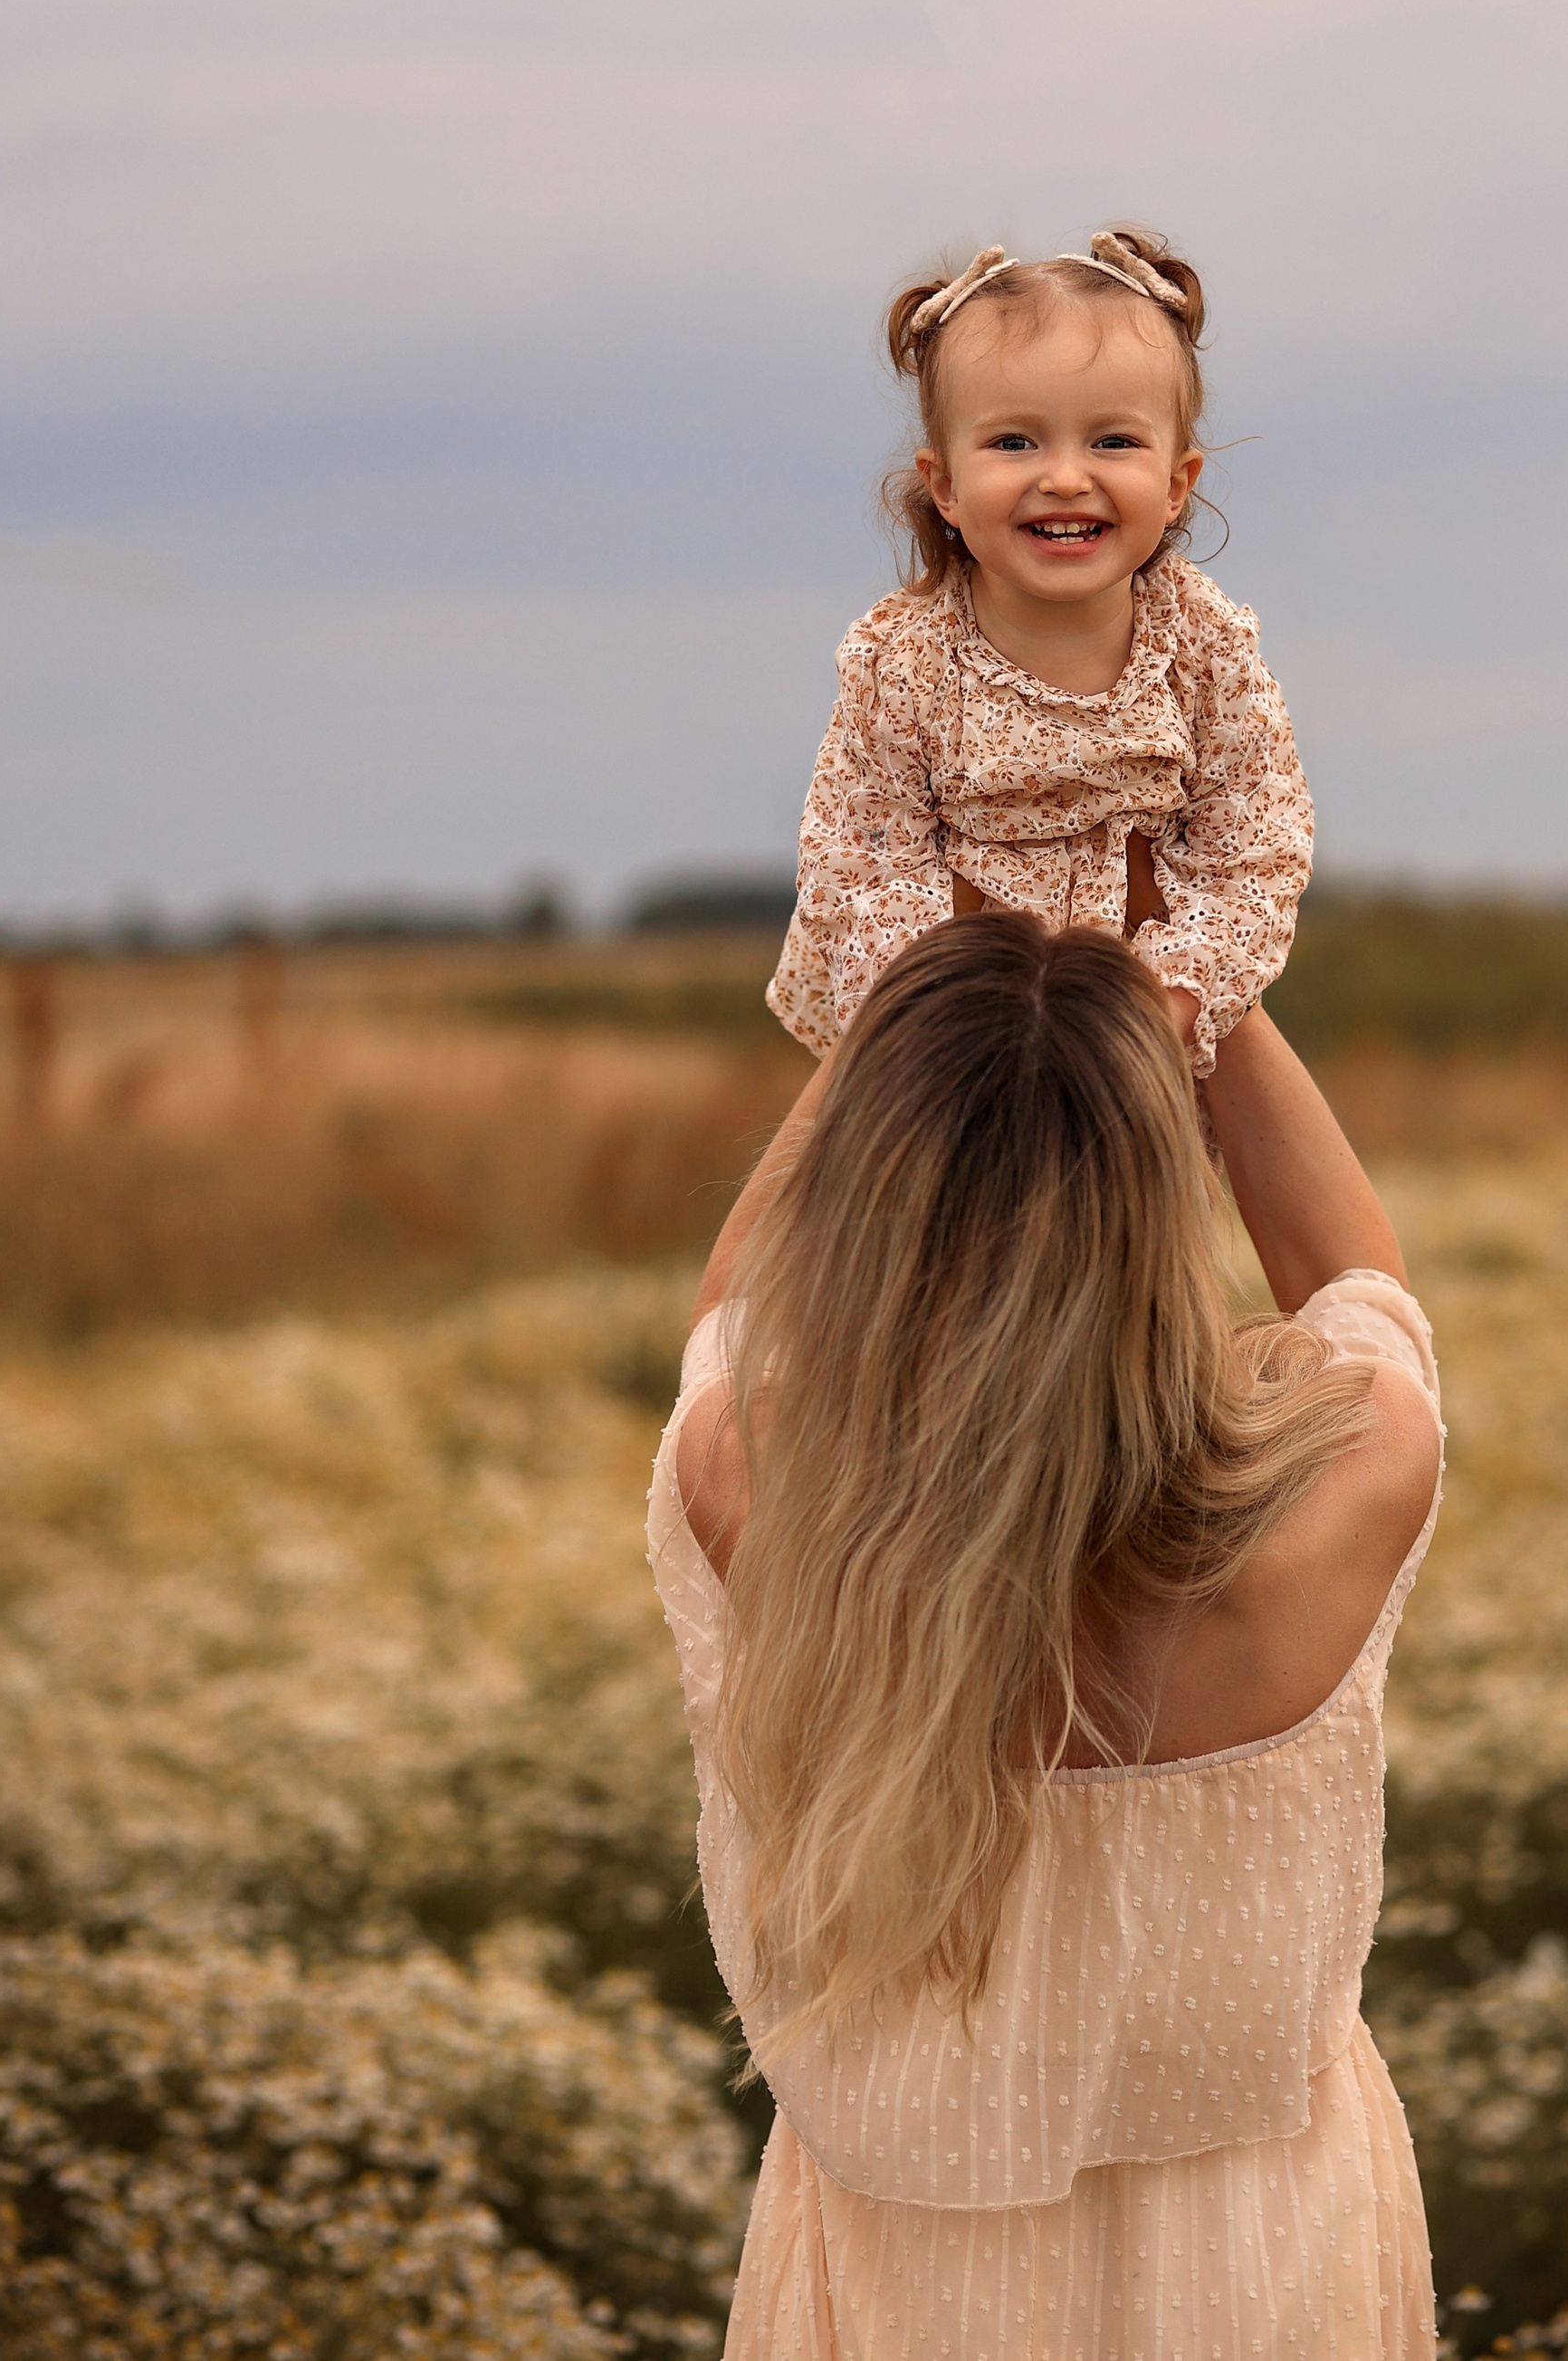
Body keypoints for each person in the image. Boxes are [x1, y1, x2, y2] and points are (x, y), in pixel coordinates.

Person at [647, 911, 1445, 2355]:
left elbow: (738, 1316)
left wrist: (899, 983)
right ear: (1162, 1203)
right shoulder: (1347, 1474)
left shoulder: (754, 1500)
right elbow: (1363, 1287)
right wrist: (1209, 968)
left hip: (908, 2298)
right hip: (1268, 2278)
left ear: (864, 1197)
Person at [766, 230, 1314, 1082]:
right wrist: (952, 1013)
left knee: (1277, 1152)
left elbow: (1255, 839)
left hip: (1153, 981)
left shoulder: (1204, 645)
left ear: (1177, 483)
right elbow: (862, 864)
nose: (1064, 477)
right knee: (813, 1190)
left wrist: (1170, 999)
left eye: (1113, 442)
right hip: (948, 1002)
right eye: (1015, 442)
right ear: (943, 483)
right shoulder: (902, 661)